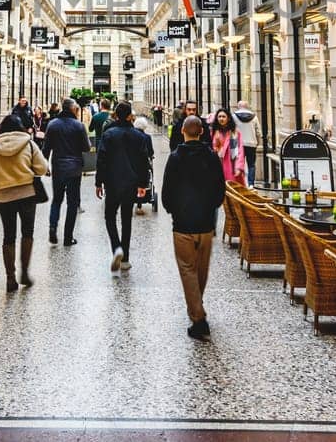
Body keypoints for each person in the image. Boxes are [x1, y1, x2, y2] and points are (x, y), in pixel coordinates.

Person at [162, 116, 226, 340]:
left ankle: (198, 318)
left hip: (183, 224)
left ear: (183, 132)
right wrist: (212, 207)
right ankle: (197, 306)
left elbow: (167, 190)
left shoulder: (175, 158)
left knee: (188, 269)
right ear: (201, 132)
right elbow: (221, 187)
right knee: (201, 268)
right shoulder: (211, 157)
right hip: (206, 224)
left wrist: (172, 210)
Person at [0, 114, 47, 291]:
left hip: (4, 197)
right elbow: (42, 168)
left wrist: (1, 178)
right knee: (27, 233)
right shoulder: (29, 143)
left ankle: (10, 278)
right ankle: (24, 272)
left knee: (9, 236)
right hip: (27, 194)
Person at [96, 102, 151, 271]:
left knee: (110, 216)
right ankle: (125, 258)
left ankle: (116, 247)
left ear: (115, 115)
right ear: (129, 116)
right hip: (131, 184)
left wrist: (99, 182)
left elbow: (101, 159)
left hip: (112, 183)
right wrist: (143, 184)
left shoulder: (109, 134)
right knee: (126, 219)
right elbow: (144, 162)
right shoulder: (139, 136)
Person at [43, 99, 90, 244]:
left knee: (56, 200)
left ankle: (52, 227)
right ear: (73, 109)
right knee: (72, 202)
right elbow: (86, 148)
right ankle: (68, 237)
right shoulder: (79, 125)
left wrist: (45, 166)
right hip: (74, 169)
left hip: (58, 167)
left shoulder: (52, 124)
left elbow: (46, 149)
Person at [210, 108, 246, 184]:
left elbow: (239, 151)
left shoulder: (234, 133)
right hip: (218, 164)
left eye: (223, 116)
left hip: (231, 165)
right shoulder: (214, 132)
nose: (221, 119)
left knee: (232, 187)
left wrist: (239, 167)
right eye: (219, 117)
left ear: (228, 118)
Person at [232, 101, 258, 185]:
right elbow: (258, 132)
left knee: (239, 164)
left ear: (239, 106)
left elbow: (232, 131)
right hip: (251, 143)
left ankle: (240, 183)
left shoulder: (234, 116)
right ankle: (251, 184)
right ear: (247, 107)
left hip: (239, 144)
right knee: (251, 165)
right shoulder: (254, 117)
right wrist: (257, 142)